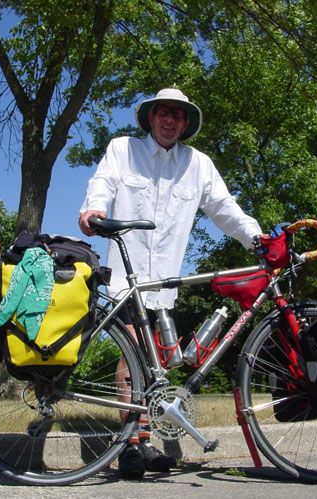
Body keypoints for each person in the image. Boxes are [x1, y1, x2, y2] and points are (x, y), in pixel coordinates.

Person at [79, 88, 262, 478]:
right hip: (128, 278)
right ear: (151, 118)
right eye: (163, 113)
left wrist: (255, 238)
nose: (170, 120)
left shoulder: (198, 164)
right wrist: (92, 209)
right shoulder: (123, 149)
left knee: (157, 364)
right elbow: (103, 183)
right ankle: (130, 446)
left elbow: (224, 208)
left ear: (185, 123)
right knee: (132, 361)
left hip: (165, 281)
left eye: (178, 116)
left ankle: (144, 442)